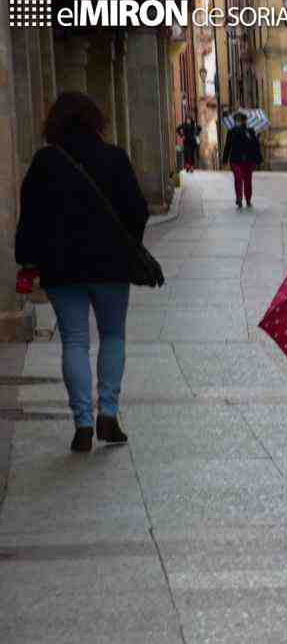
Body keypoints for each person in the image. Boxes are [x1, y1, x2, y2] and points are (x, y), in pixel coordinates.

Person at [15, 92, 149, 453]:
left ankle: (83, 425)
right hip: (110, 266)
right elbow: (137, 211)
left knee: (74, 340)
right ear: (96, 121)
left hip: (62, 267)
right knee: (112, 336)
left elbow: (30, 217)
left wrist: (27, 259)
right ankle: (108, 413)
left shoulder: (45, 162)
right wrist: (127, 243)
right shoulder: (114, 158)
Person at [221, 111, 262, 210]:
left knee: (248, 181)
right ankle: (239, 198)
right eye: (237, 120)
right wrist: (225, 160)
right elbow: (228, 146)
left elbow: (256, 146)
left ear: (245, 121)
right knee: (238, 179)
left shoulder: (250, 131)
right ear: (235, 121)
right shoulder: (231, 131)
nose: (239, 122)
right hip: (235, 160)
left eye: (241, 120)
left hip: (248, 161)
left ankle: (248, 199)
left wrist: (258, 159)